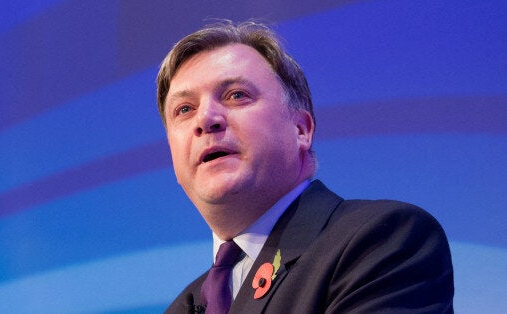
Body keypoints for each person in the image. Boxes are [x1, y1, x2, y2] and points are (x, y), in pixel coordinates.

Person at [157, 21, 454, 313]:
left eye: (236, 95)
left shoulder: (382, 242)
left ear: (301, 129)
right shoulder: (182, 307)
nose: (206, 118)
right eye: (184, 109)